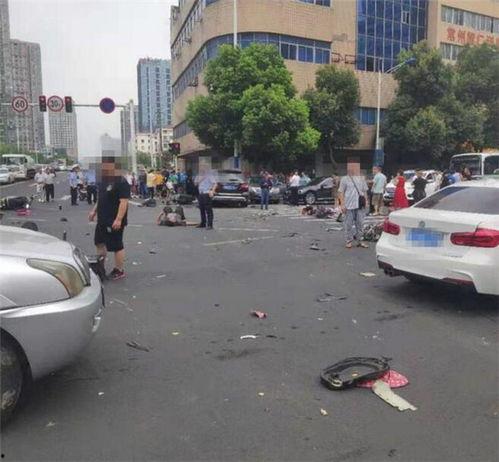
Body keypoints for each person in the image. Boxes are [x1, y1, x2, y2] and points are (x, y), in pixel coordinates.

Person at [88, 157, 130, 281]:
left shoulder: (121, 182)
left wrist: (119, 219)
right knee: (99, 243)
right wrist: (94, 211)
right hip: (102, 219)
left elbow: (124, 202)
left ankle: (119, 270)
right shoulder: (103, 181)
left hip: (113, 219)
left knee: (116, 246)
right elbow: (101, 199)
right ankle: (100, 268)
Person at [338, 163, 369, 249]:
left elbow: (365, 191)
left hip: (359, 205)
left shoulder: (361, 178)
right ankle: (349, 241)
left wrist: (366, 202)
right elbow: (341, 192)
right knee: (348, 224)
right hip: (348, 205)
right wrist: (342, 204)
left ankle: (360, 240)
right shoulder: (344, 179)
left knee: (360, 224)